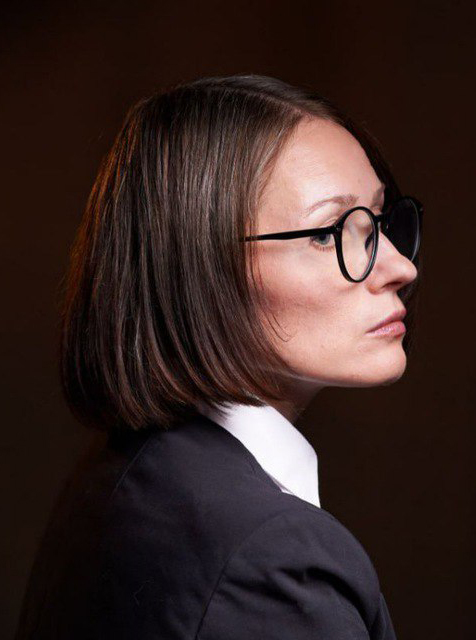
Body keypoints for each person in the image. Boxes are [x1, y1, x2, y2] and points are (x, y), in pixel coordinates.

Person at [15, 74, 423, 639]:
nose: (401, 266)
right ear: (200, 267)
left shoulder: (123, 477)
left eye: (377, 221)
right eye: (329, 233)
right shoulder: (267, 559)